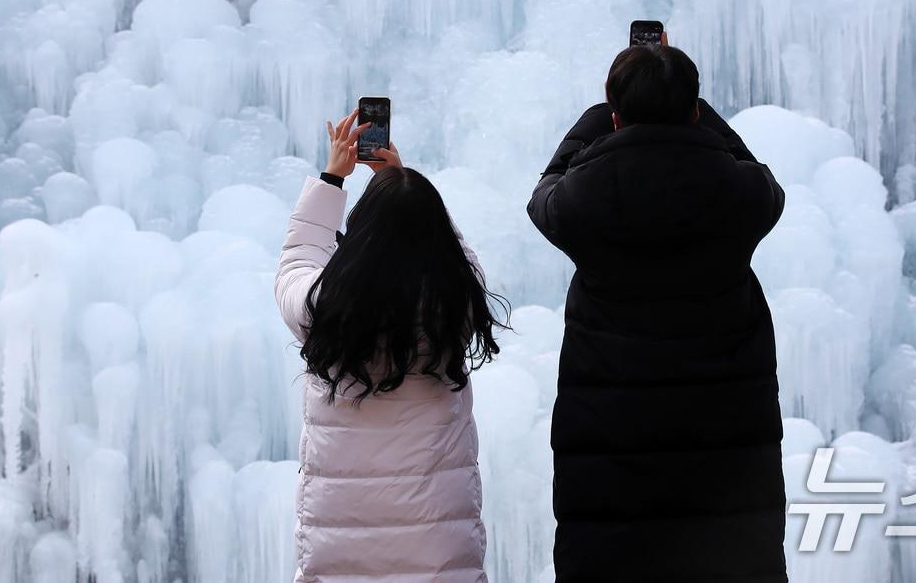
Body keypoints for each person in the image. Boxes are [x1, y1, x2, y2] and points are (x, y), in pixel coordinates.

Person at [527, 44, 788, 581]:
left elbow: (544, 192)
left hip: (612, 441)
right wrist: (698, 113)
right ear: (694, 109)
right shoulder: (739, 191)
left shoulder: (584, 196)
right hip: (723, 439)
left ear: (616, 115)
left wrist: (599, 117)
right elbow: (756, 170)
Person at [274, 112, 507, 583]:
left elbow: (296, 263)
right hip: (439, 556)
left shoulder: (325, 312)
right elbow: (464, 267)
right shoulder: (454, 306)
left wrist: (332, 180)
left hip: (342, 552)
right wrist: (403, 187)